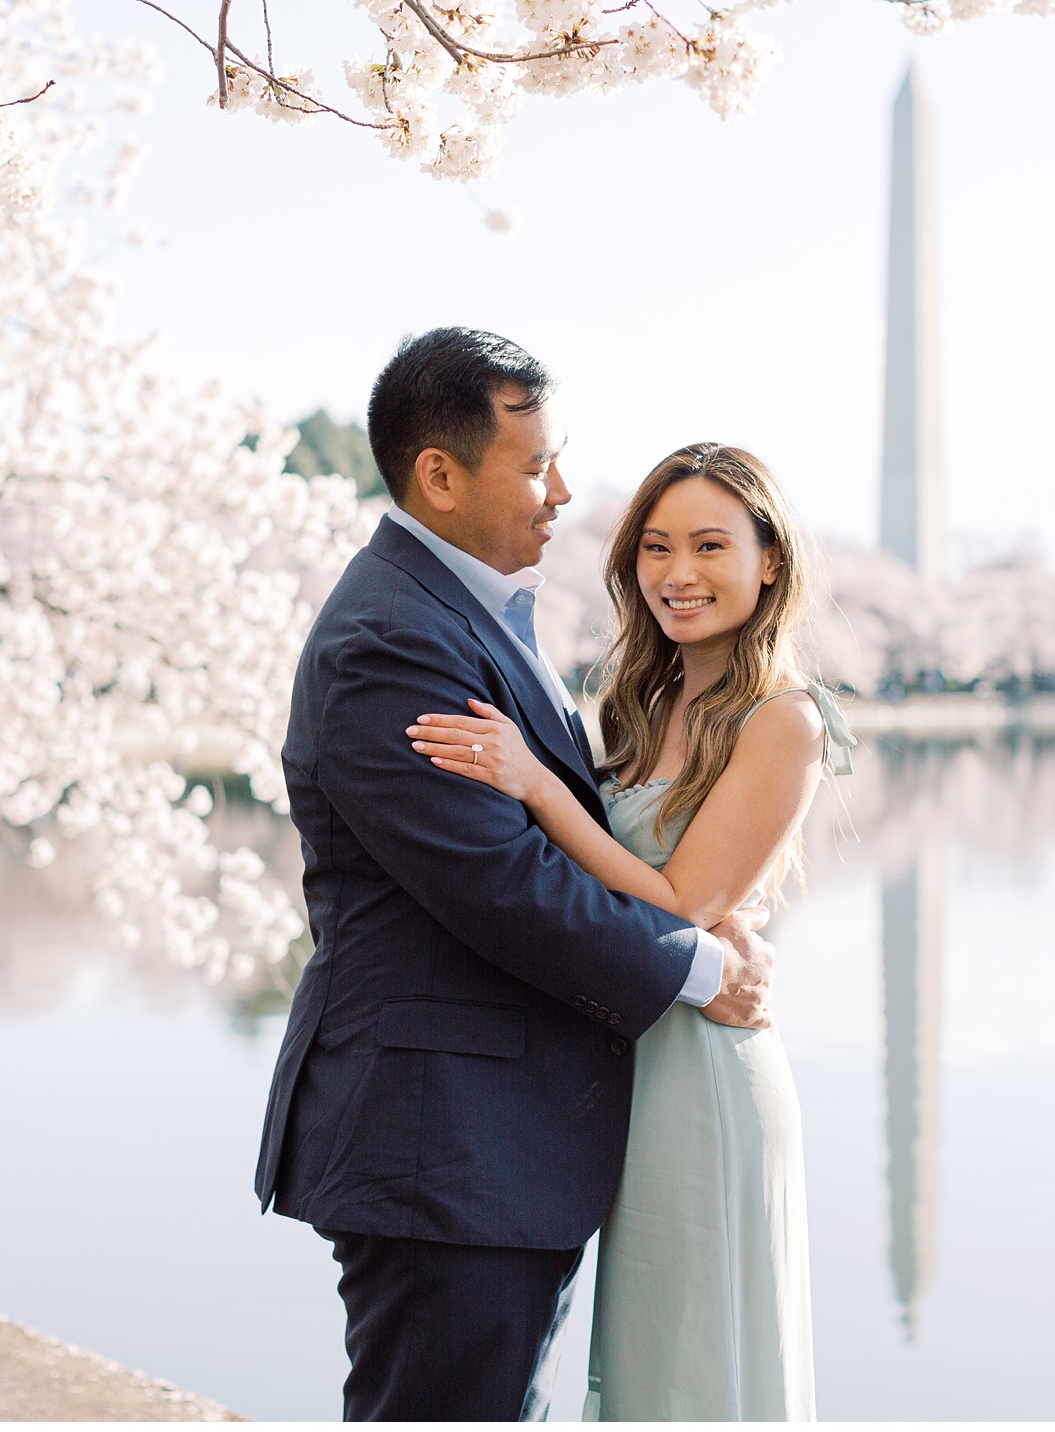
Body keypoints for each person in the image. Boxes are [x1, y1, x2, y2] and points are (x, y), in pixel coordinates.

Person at [255, 328, 778, 1422]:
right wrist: (692, 967)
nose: (563, 491)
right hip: (441, 1145)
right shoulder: (391, 640)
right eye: (535, 463)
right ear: (439, 475)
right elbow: (498, 883)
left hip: (493, 1140)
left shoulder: (470, 610)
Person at [408, 441, 855, 1420]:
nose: (677, 573)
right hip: (627, 1062)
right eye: (654, 547)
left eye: (707, 544)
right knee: (646, 1354)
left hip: (703, 1072)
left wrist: (532, 783)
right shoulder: (639, 698)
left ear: (768, 559)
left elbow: (681, 900)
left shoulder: (786, 718)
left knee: (697, 1364)